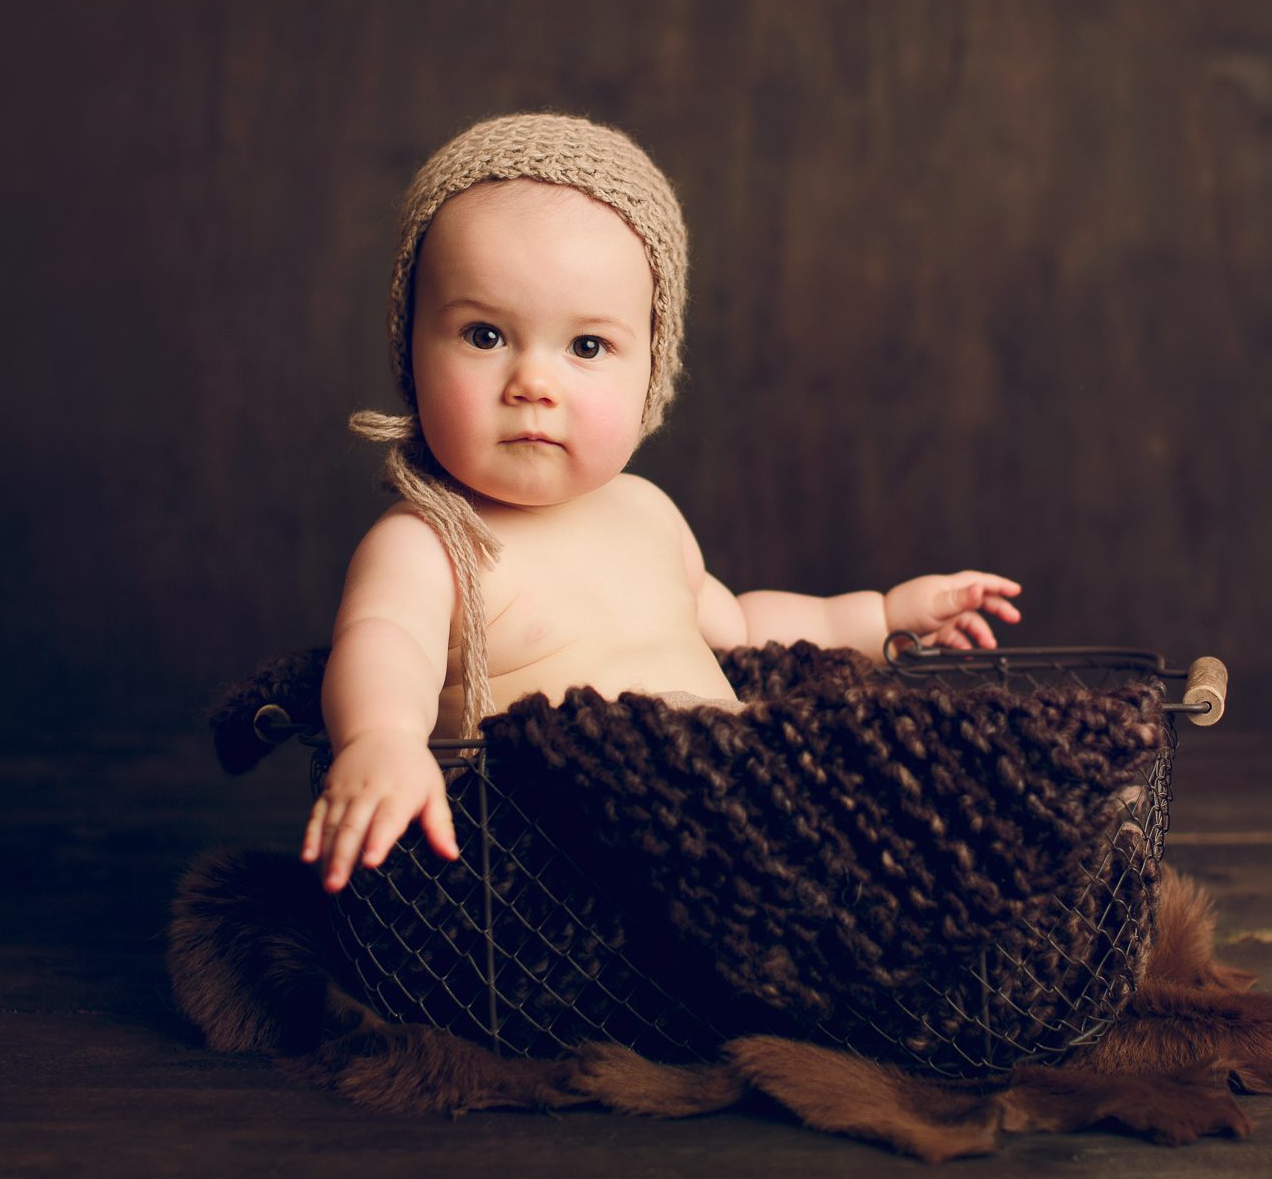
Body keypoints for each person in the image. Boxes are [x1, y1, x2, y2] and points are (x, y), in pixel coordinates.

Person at [301, 114, 1022, 893]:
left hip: (740, 812)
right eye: (484, 335)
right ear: (411, 346)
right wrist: (379, 738)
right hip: (560, 865)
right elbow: (383, 645)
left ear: (652, 371)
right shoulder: (428, 540)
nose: (532, 383)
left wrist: (882, 616)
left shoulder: (644, 511)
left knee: (916, 795)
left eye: (586, 347)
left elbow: (743, 626)